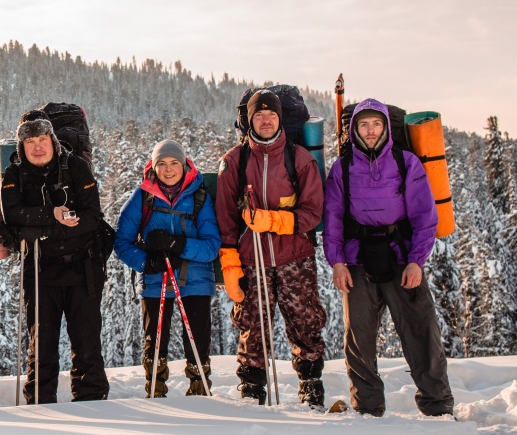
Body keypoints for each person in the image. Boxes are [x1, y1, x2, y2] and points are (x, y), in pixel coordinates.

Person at [324, 99, 453, 417]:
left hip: (401, 257)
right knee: (359, 337)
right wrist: (337, 262)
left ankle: (437, 404)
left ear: (385, 127)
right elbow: (333, 218)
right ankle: (367, 406)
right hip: (357, 259)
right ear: (354, 129)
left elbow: (425, 216)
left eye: (376, 124)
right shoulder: (342, 167)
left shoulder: (405, 162)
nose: (370, 130)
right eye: (364, 125)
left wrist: (416, 261)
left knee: (421, 330)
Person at [215, 89, 327, 407]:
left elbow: (313, 212)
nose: (266, 120)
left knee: (304, 320)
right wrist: (231, 264)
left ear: (280, 119)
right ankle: (251, 387)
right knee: (252, 323)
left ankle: (310, 381)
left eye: (272, 115)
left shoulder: (300, 159)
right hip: (252, 258)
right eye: (259, 115)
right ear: (249, 120)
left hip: (296, 255)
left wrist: (271, 220)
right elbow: (225, 218)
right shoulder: (234, 162)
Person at [0, 112, 109, 404]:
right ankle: (40, 403)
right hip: (39, 270)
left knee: (86, 342)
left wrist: (38, 229)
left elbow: (92, 217)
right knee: (42, 345)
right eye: (30, 141)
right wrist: (53, 217)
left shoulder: (75, 167)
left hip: (82, 267)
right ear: (21, 146)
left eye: (42, 139)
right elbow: (12, 214)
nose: (37, 147)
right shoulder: (14, 174)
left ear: (53, 141)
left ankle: (92, 402)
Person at [114, 140, 221, 396]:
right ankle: (155, 387)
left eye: (174, 163)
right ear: (153, 166)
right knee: (155, 340)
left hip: (196, 280)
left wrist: (177, 245)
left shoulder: (199, 197)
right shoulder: (143, 197)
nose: (169, 169)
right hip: (155, 279)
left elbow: (211, 246)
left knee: (197, 338)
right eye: (162, 163)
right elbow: (121, 242)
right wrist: (147, 263)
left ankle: (199, 387)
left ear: (184, 165)